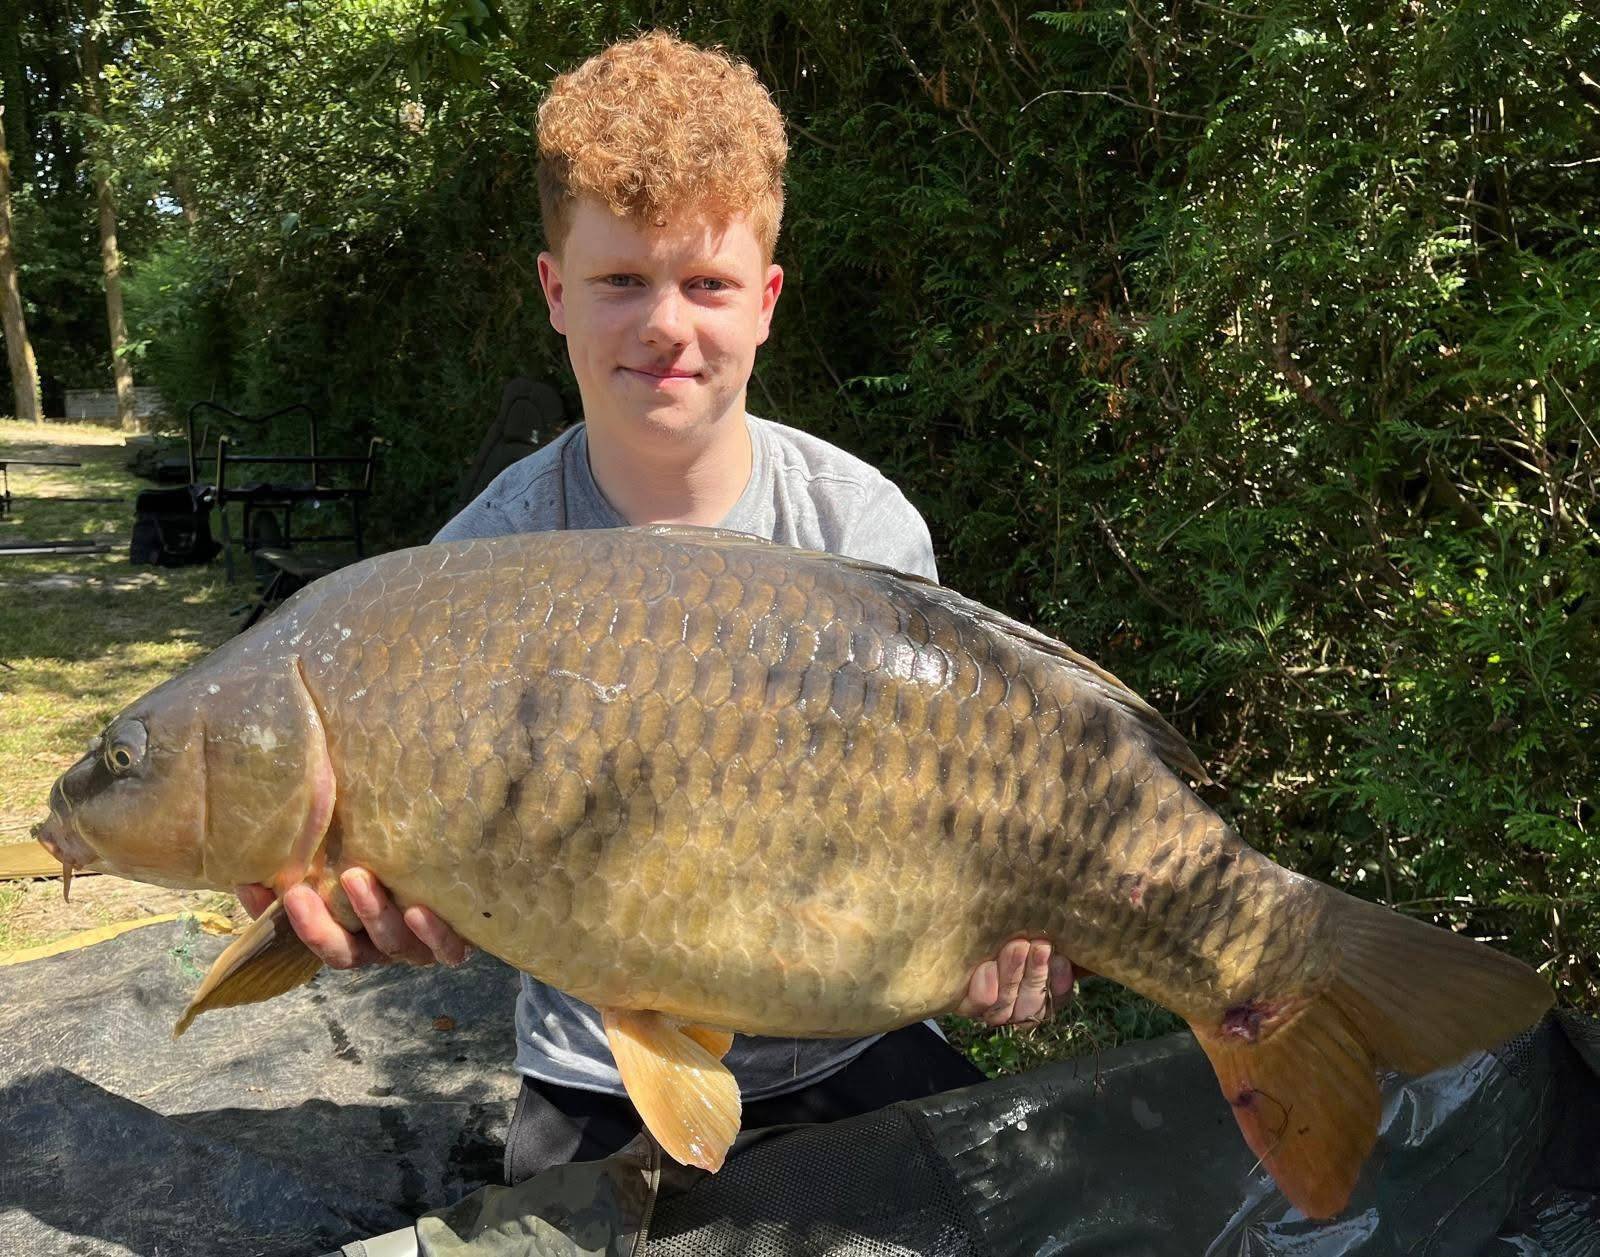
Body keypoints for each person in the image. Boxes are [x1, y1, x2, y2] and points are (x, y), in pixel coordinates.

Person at [237, 30, 1075, 1185]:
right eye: (621, 281)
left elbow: (948, 833)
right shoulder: (470, 568)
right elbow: (392, 866)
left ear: (767, 301)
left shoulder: (856, 525)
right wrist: (365, 912)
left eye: (708, 283)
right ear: (554, 293)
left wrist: (1005, 940)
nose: (665, 324)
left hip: (857, 1039)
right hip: (597, 1073)